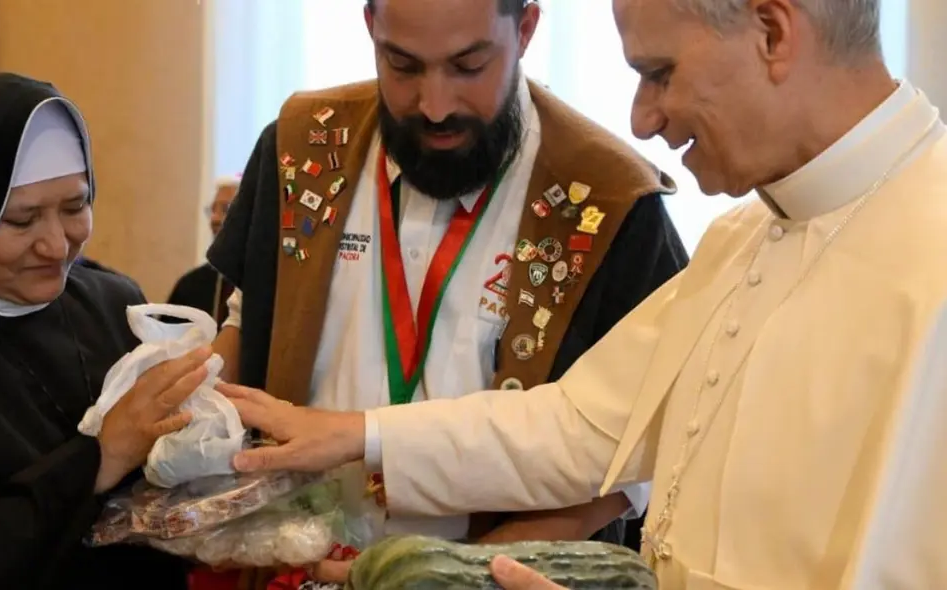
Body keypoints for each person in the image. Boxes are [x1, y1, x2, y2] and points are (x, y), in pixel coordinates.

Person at [216, 0, 947, 588]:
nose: (643, 118)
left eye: (659, 72)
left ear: (772, 30)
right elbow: (580, 425)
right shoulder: (742, 239)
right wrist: (359, 435)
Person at [205, 0, 687, 584]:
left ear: (526, 30)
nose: (434, 106)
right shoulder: (301, 146)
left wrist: (457, 572)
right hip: (288, 563)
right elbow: (247, 322)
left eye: (469, 66)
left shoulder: (610, 200)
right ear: (370, 28)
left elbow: (629, 461)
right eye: (402, 66)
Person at [0, 72, 212, 590]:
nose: (56, 246)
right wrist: (102, 456)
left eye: (75, 207)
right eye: (21, 221)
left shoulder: (115, 301)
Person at [166, 175, 240, 326]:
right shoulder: (190, 285)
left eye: (225, 209)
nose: (215, 219)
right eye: (212, 210)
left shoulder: (267, 281)